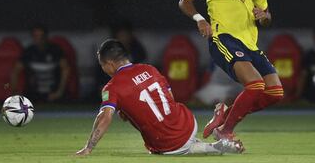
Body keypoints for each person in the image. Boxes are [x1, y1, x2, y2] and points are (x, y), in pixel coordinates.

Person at [178, 0, 284, 141]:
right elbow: (185, 0)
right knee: (255, 85)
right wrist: (200, 19)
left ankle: (224, 115)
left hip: (250, 44)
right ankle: (225, 131)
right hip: (223, 39)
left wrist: (263, 16)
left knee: (275, 93)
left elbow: (266, 16)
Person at [76, 39, 244, 156]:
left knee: (175, 148)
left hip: (165, 142)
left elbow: (104, 116)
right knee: (181, 137)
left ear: (110, 64)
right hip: (187, 122)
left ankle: (213, 145)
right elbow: (169, 97)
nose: (103, 69)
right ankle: (213, 137)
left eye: (102, 65)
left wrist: (89, 147)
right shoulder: (150, 69)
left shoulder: (111, 87)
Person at [10, 24, 69, 102]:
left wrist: (59, 92)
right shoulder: (28, 52)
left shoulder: (55, 50)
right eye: (36, 36)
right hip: (32, 94)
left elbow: (66, 69)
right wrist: (14, 92)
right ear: (33, 37)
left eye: (42, 36)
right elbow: (15, 71)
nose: (39, 39)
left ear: (46, 36)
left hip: (53, 93)